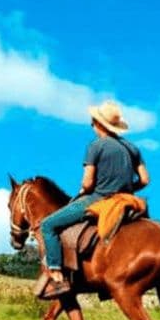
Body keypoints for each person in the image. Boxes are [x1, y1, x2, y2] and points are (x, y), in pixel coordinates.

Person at [36, 101, 150, 299]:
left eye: (93, 122)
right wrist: (128, 188)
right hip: (127, 201)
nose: (91, 125)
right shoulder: (133, 149)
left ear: (99, 124)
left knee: (48, 225)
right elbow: (145, 180)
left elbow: (88, 184)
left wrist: (86, 189)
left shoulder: (95, 147)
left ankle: (56, 274)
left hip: (98, 199)